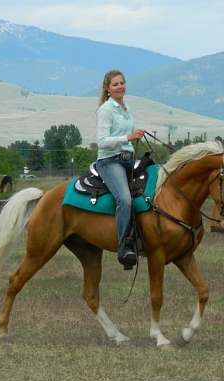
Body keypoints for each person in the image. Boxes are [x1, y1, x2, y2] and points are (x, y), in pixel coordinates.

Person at [95, 69, 144, 268]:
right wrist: (128, 137)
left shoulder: (125, 108)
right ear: (108, 89)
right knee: (124, 198)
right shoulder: (106, 110)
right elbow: (102, 142)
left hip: (127, 159)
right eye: (115, 84)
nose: (120, 86)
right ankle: (124, 246)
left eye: (122, 83)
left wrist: (135, 137)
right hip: (109, 161)